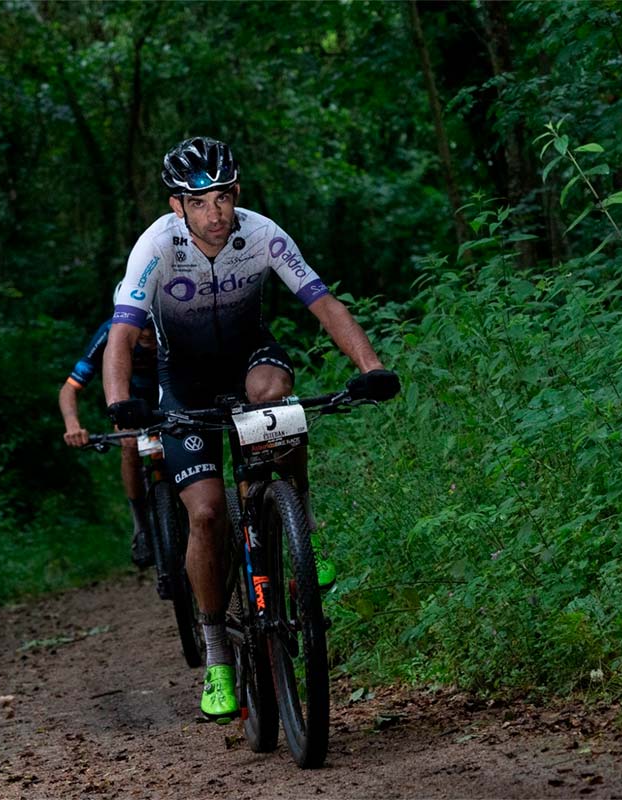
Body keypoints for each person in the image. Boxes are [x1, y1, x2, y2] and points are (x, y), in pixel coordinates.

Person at [102, 136, 399, 720]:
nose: (216, 213)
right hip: (183, 381)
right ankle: (216, 656)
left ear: (237, 193)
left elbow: (324, 303)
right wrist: (120, 402)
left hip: (249, 358)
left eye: (224, 197)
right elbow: (121, 332)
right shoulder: (155, 247)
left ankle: (299, 524)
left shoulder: (261, 233)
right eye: (200, 201)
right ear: (177, 207)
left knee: (274, 394)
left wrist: (372, 368)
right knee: (208, 514)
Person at [59, 301, 159, 568]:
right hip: (131, 405)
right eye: (142, 327)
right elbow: (69, 389)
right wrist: (73, 426)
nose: (148, 334)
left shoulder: (171, 328)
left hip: (167, 402)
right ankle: (141, 528)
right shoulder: (110, 333)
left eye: (152, 325)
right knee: (129, 445)